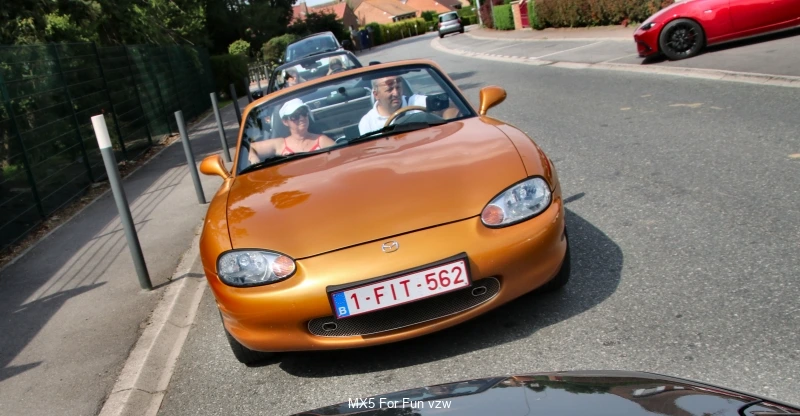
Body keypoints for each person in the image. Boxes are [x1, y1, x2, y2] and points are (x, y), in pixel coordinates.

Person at [248, 98, 335, 163]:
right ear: (285, 121)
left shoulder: (321, 140)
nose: (302, 118)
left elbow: (339, 156)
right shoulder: (280, 144)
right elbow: (249, 148)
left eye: (304, 113)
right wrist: (253, 158)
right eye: (295, 116)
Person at [358, 75, 428, 135]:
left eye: (398, 87)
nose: (396, 93)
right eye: (390, 89)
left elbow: (433, 103)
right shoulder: (368, 122)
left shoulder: (416, 102)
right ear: (376, 95)